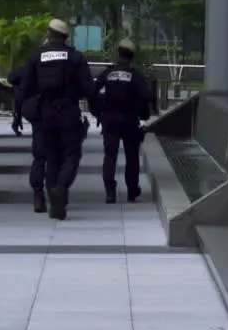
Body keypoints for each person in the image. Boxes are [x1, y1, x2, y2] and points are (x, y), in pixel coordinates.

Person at [19, 19, 97, 220]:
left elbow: (24, 87)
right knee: (72, 154)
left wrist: (18, 113)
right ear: (66, 37)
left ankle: (54, 201)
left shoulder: (37, 56)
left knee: (51, 157)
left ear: (49, 33)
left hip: (45, 113)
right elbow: (89, 88)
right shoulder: (75, 57)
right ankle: (61, 189)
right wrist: (97, 111)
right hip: (69, 112)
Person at [94, 39, 154, 204]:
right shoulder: (135, 75)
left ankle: (110, 192)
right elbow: (147, 95)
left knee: (110, 156)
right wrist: (143, 114)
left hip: (109, 120)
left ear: (118, 54)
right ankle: (132, 191)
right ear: (132, 57)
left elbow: (92, 92)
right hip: (129, 121)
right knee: (132, 157)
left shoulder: (108, 73)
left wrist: (99, 112)